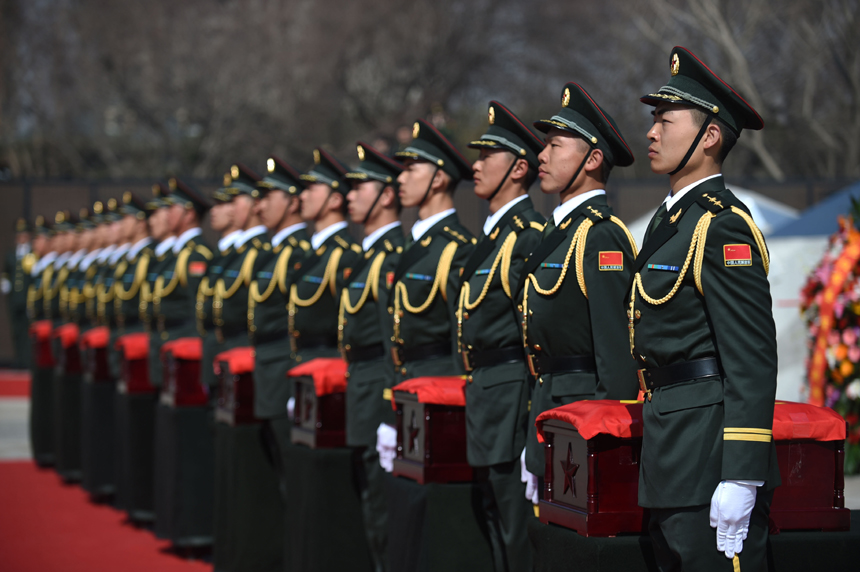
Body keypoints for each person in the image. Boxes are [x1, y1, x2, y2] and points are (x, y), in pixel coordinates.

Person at [632, 46, 779, 572]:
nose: (651, 133)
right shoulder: (668, 224)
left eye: (664, 121)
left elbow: (751, 358)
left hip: (709, 461)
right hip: (670, 456)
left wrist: (741, 474)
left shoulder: (721, 227)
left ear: (709, 136)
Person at [520, 82, 640, 487]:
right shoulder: (558, 231)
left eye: (556, 145)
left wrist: (605, 443)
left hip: (583, 420)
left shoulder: (600, 235)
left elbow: (615, 356)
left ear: (592, 159)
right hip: (551, 413)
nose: (542, 154)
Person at [459, 101, 545, 572]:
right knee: (492, 522)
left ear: (517, 168)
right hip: (485, 397)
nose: (474, 165)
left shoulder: (527, 235)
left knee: (514, 527)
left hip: (512, 397)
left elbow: (534, 334)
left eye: (486, 155)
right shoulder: (490, 237)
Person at [342, 141, 405, 571]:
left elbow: (392, 343)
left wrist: (386, 407)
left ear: (385, 194)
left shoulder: (393, 255)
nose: (348, 195)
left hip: (379, 393)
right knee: (368, 506)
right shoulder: (363, 254)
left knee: (384, 513)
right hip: (358, 390)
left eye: (358, 186)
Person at [389, 118, 475, 380]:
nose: (400, 178)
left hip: (438, 382)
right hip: (405, 381)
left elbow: (461, 335)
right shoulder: (410, 242)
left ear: (438, 178)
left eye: (411, 169)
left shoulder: (457, 248)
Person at [248, 156, 309, 506]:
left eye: (269, 196)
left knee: (292, 472)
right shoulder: (272, 252)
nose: (261, 206)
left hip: (284, 368)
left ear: (292, 200)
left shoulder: (298, 252)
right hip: (267, 367)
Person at [288, 148, 361, 365]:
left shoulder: (344, 255)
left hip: (326, 363)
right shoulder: (311, 251)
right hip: (301, 361)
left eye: (312, 188)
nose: (303, 195)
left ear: (335, 199)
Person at [2, 218, 35, 368]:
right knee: (16, 331)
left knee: (28, 332)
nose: (22, 237)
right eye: (19, 234)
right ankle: (19, 360)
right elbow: (6, 272)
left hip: (27, 300)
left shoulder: (33, 254)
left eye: (24, 234)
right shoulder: (11, 254)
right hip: (14, 300)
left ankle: (27, 361)